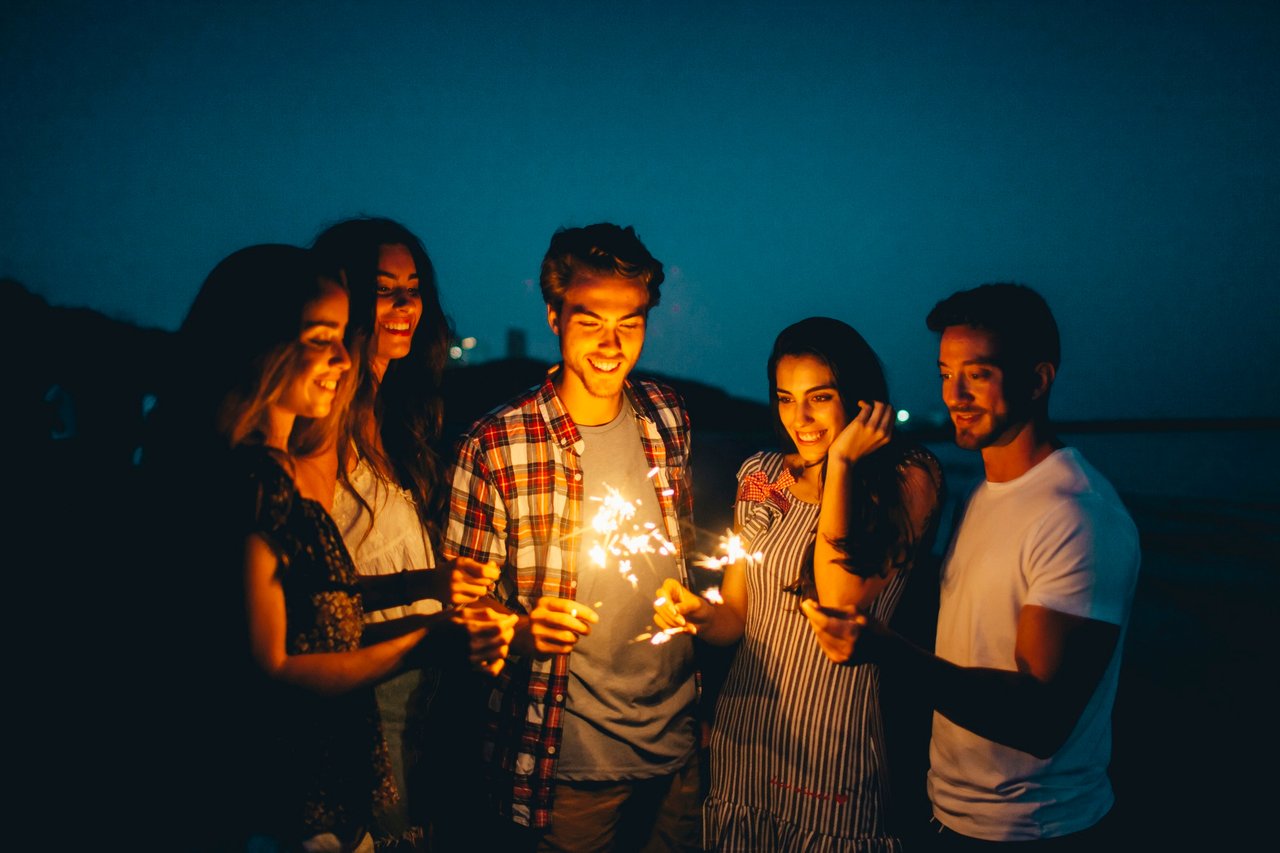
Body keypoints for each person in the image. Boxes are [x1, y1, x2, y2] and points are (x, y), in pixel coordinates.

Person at [148, 245, 514, 851]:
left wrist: (424, 588)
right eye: (322, 337)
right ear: (259, 345)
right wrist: (427, 642)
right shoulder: (251, 486)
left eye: (344, 336)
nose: (345, 358)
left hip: (330, 800)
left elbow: (314, 606)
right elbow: (275, 667)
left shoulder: (277, 475)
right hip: (286, 808)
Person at [801, 284, 1140, 849]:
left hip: (1034, 828)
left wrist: (885, 650)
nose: (954, 394)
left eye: (977, 374)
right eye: (944, 373)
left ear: (1037, 380)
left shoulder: (1078, 515)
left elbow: (1041, 719)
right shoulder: (986, 494)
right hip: (948, 812)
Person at [444, 223, 702, 851]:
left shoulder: (667, 417)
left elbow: (681, 550)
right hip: (565, 759)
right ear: (554, 314)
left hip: (679, 746)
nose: (613, 345)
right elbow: (457, 611)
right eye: (591, 322)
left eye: (631, 323)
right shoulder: (494, 445)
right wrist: (520, 629)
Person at [653, 317, 942, 851]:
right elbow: (736, 617)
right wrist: (698, 612)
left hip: (837, 749)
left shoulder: (910, 479)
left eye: (820, 397)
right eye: (786, 399)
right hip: (745, 736)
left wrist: (844, 464)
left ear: (857, 399)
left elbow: (840, 603)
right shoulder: (760, 475)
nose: (800, 419)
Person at [307, 218, 505, 849]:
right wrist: (435, 621)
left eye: (413, 288)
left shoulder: (398, 419)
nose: (403, 305)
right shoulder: (317, 428)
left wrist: (444, 586)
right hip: (354, 700)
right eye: (382, 287)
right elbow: (314, 599)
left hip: (418, 696)